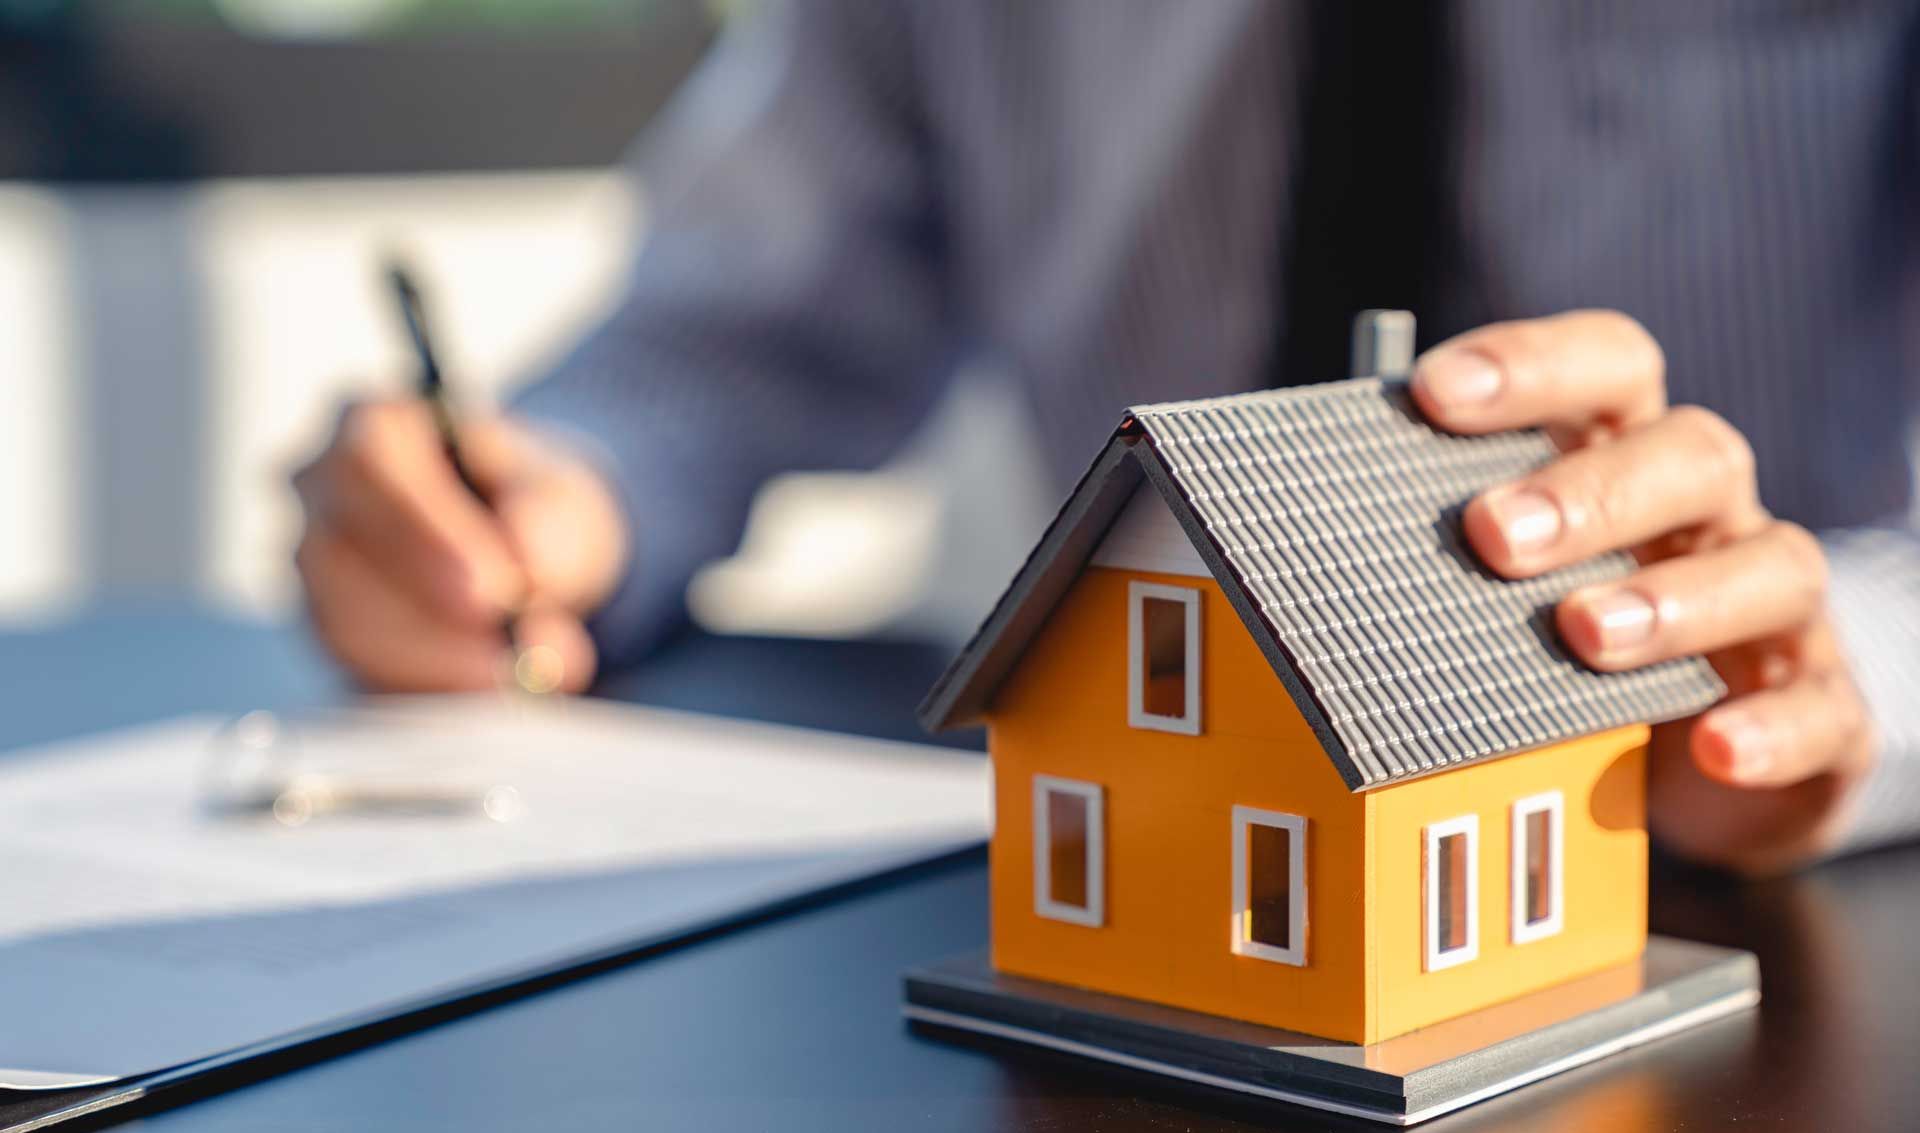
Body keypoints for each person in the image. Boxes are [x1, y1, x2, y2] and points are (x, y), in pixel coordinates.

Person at [291, 1, 1920, 874]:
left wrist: (1835, 667)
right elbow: (728, 341)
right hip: (1157, 866)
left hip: (1777, 876)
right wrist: (556, 496)